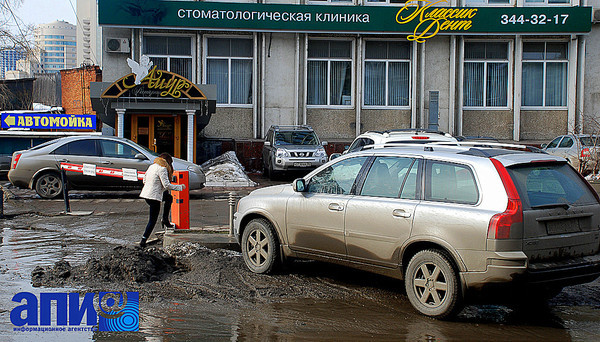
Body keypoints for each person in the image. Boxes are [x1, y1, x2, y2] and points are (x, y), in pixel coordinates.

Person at [139, 152, 185, 247]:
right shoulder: (162, 169)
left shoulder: (152, 166)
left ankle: (165, 219)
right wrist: (180, 187)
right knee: (152, 220)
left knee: (168, 198)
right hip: (154, 197)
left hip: (146, 194)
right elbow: (166, 185)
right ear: (168, 162)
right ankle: (143, 240)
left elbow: (144, 180)